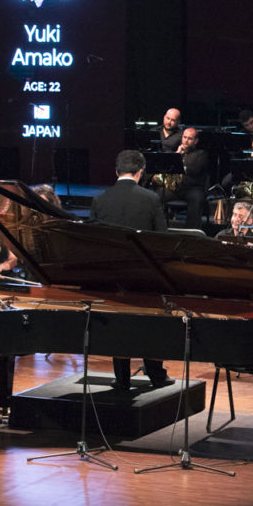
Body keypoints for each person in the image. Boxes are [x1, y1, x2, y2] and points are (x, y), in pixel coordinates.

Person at [89, 150, 171, 390]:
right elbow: (161, 240)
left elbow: (92, 243)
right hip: (145, 275)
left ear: (116, 172)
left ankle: (122, 377)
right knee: (151, 325)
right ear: (140, 172)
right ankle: (156, 375)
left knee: (118, 325)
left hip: (111, 276)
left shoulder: (99, 200)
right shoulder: (151, 199)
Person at [161, 127, 210, 229]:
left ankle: (191, 231)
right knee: (158, 195)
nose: (186, 141)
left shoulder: (201, 154)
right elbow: (169, 168)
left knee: (197, 199)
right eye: (184, 137)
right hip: (177, 188)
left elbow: (194, 170)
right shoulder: (177, 152)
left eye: (189, 138)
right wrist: (178, 155)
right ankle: (160, 227)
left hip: (193, 188)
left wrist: (180, 164)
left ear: (195, 141)